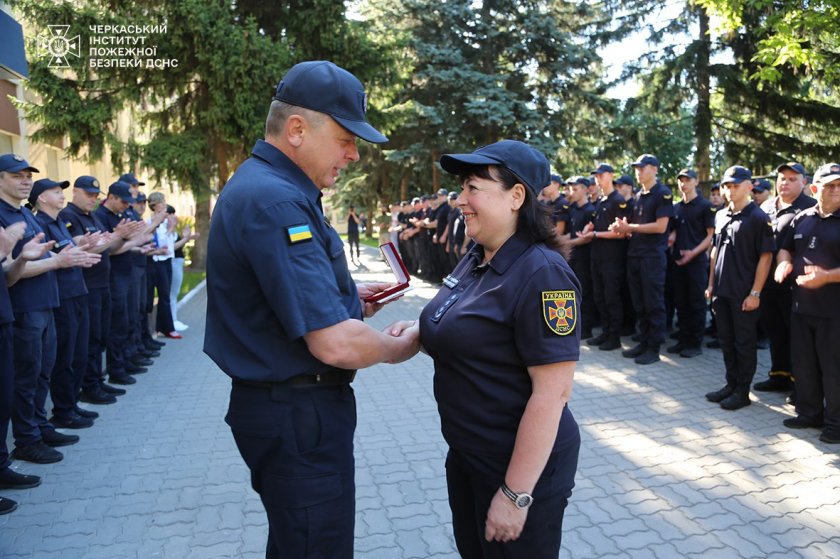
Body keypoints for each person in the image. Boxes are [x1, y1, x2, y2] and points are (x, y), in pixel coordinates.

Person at [203, 60, 419, 559]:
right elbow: (334, 342)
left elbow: (286, 298)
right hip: (298, 414)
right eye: (346, 138)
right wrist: (403, 343)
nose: (354, 155)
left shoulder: (270, 188)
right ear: (297, 129)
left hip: (287, 410)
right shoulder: (278, 201)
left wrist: (347, 300)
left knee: (296, 542)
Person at [394, 140, 581, 558]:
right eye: (462, 189)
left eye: (474, 187)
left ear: (517, 196)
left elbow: (552, 394)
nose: (461, 200)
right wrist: (416, 330)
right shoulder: (478, 254)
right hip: (469, 456)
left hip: (518, 468)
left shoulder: (543, 273)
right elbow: (472, 330)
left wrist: (515, 495)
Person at [0, 156, 94, 464]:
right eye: (17, 176)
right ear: (0, 180)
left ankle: (39, 428)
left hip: (46, 302)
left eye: (28, 175)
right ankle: (27, 439)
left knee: (42, 373)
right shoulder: (3, 216)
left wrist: (72, 253)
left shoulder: (24, 214)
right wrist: (56, 261)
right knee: (26, 378)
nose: (25, 180)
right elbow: (11, 271)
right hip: (24, 308)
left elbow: (41, 254)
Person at [775, 163, 840, 444]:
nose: (836, 190)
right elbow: (785, 249)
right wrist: (784, 263)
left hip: (833, 312)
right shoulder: (801, 218)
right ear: (815, 189)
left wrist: (826, 277)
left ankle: (835, 422)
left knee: (833, 369)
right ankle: (809, 413)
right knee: (804, 364)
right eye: (830, 186)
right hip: (801, 308)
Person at [30, 179, 102, 429]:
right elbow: (51, 257)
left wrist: (82, 246)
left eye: (62, 192)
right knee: (64, 358)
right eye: (56, 192)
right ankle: (63, 411)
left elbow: (68, 253)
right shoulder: (40, 223)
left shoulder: (59, 222)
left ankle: (71, 404)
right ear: (41, 198)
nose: (62, 196)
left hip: (78, 291)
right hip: (62, 296)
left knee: (78, 354)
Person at [705, 166, 773, 410]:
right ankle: (731, 384)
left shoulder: (758, 218)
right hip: (721, 292)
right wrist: (711, 284)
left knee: (744, 343)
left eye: (736, 185)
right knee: (726, 340)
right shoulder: (721, 215)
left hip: (744, 294)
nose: (730, 190)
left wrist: (755, 293)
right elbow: (714, 252)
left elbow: (766, 258)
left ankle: (743, 391)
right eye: (727, 186)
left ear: (749, 186)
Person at [753, 162, 815, 395]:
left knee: (797, 338)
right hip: (767, 282)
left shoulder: (810, 207)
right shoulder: (767, 206)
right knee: (775, 332)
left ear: (804, 182)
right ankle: (778, 375)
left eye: (792, 179)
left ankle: (799, 384)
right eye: (782, 178)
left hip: (795, 286)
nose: (785, 183)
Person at [611, 154, 674, 365]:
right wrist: (622, 227)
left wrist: (630, 227)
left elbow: (660, 226)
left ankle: (654, 348)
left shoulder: (662, 193)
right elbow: (633, 225)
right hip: (635, 255)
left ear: (654, 169)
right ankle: (644, 342)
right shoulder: (638, 195)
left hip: (652, 258)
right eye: (637, 168)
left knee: (653, 303)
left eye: (643, 168)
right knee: (639, 303)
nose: (639, 171)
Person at [666, 169, 716, 358]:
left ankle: (694, 343)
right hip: (678, 261)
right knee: (681, 301)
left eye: (687, 180)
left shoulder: (705, 206)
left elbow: (710, 236)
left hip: (696, 262)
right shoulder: (677, 207)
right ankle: (683, 340)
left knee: (696, 303)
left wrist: (693, 253)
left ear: (696, 182)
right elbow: (675, 231)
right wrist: (671, 239)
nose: (683, 184)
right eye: (680, 180)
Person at [582, 164, 630, 351]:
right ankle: (606, 332)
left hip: (613, 258)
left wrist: (595, 235)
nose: (598, 179)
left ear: (610, 176)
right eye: (596, 176)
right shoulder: (601, 201)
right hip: (598, 257)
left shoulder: (617, 200)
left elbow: (621, 233)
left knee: (612, 298)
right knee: (600, 297)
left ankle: (614, 337)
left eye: (601, 175)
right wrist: (590, 229)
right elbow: (596, 224)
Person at [168, 205, 198, 331]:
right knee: (172, 293)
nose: (173, 216)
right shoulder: (166, 229)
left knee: (174, 293)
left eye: (173, 213)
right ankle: (172, 320)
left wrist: (188, 238)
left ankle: (173, 319)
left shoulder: (172, 230)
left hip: (177, 262)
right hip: (173, 262)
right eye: (170, 213)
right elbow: (170, 247)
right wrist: (186, 238)